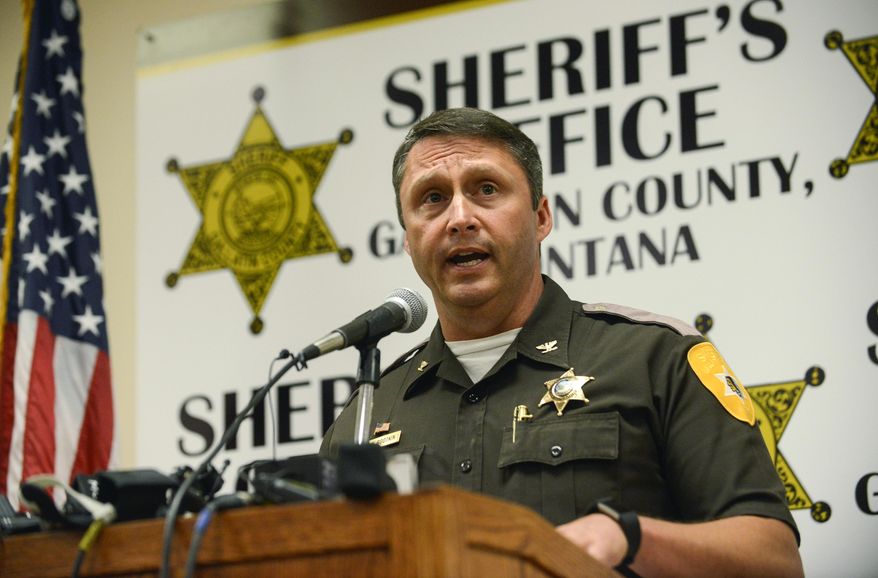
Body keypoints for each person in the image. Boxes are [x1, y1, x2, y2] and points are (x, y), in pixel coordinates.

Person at [319, 108, 803, 577]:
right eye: (432, 198)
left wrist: (629, 538)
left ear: (542, 217)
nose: (459, 218)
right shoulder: (366, 415)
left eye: (487, 190)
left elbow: (773, 561)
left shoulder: (655, 357)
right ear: (408, 239)